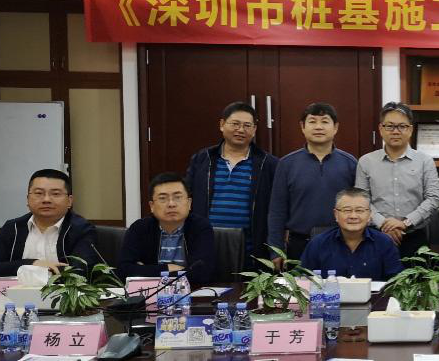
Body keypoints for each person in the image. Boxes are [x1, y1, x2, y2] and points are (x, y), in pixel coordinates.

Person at [185, 101, 277, 266]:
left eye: (247, 125)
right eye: (235, 124)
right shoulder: (203, 159)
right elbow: (187, 198)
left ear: (254, 129)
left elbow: (277, 208)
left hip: (252, 250)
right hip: (205, 246)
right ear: (222, 124)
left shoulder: (268, 164)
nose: (241, 130)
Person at [267, 103, 358, 267]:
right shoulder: (286, 164)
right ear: (302, 127)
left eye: (325, 121)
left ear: (335, 127)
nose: (318, 127)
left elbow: (359, 207)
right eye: (312, 121)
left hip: (341, 242)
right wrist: (276, 250)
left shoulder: (350, 163)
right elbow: (277, 210)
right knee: (300, 284)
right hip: (299, 245)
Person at [356, 103, 439, 258]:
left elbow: (434, 199)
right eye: (390, 126)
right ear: (381, 129)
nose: (395, 131)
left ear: (410, 129)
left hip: (414, 237)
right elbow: (362, 201)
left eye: (402, 126)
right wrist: (383, 224)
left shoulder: (425, 161)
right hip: (375, 236)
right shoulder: (366, 162)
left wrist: (405, 223)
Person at [0, 169, 100, 278]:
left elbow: (79, 273)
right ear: (28, 199)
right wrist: (32, 264)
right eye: (39, 193)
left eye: (55, 194)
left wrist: (27, 272)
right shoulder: (13, 227)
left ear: (69, 201)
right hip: (15, 292)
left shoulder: (82, 229)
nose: (46, 200)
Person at [118, 172, 217, 287]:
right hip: (149, 294)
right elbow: (123, 271)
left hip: (193, 294)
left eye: (177, 197)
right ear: (152, 206)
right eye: (163, 198)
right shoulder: (139, 228)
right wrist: (168, 268)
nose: (171, 204)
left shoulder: (201, 227)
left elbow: (202, 273)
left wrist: (145, 270)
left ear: (189, 203)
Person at [299, 188, 404, 280]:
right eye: (347, 210)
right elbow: (302, 281)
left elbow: (396, 282)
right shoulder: (318, 243)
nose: (353, 216)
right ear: (336, 214)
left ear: (369, 215)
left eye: (359, 210)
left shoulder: (384, 243)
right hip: (330, 297)